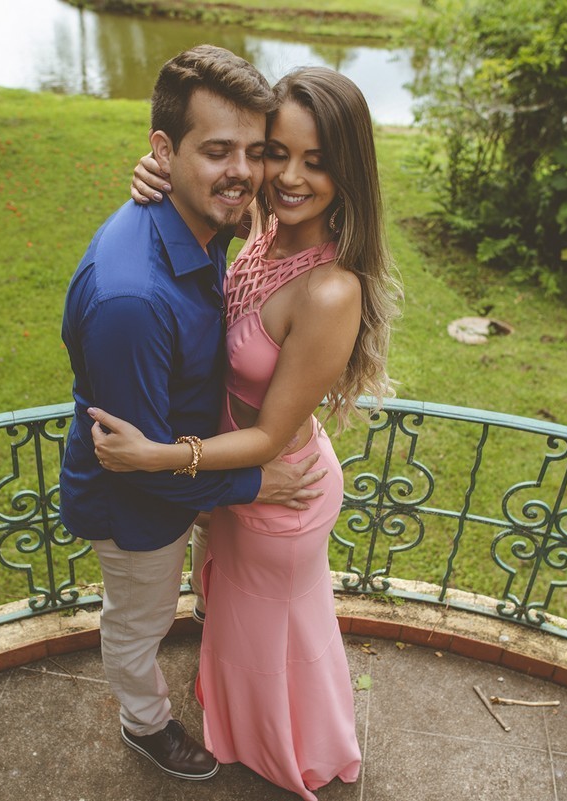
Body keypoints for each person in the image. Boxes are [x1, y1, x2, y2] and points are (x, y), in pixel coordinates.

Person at [89, 66, 400, 801]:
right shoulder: (265, 222)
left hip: (276, 491)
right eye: (275, 153)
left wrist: (160, 457)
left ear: (347, 170)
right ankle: (234, 716)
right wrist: (154, 174)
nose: (286, 177)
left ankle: (291, 744)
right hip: (232, 486)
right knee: (240, 623)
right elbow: (204, 196)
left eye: (315, 162)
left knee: (275, 640)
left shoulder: (331, 290)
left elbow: (265, 440)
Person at [59, 46, 329, 783]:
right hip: (139, 504)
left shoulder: (208, 219)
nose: (243, 172)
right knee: (138, 620)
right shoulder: (132, 303)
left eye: (254, 151)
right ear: (162, 151)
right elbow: (139, 467)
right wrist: (252, 486)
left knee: (195, 589)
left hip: (195, 465)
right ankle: (144, 721)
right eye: (216, 151)